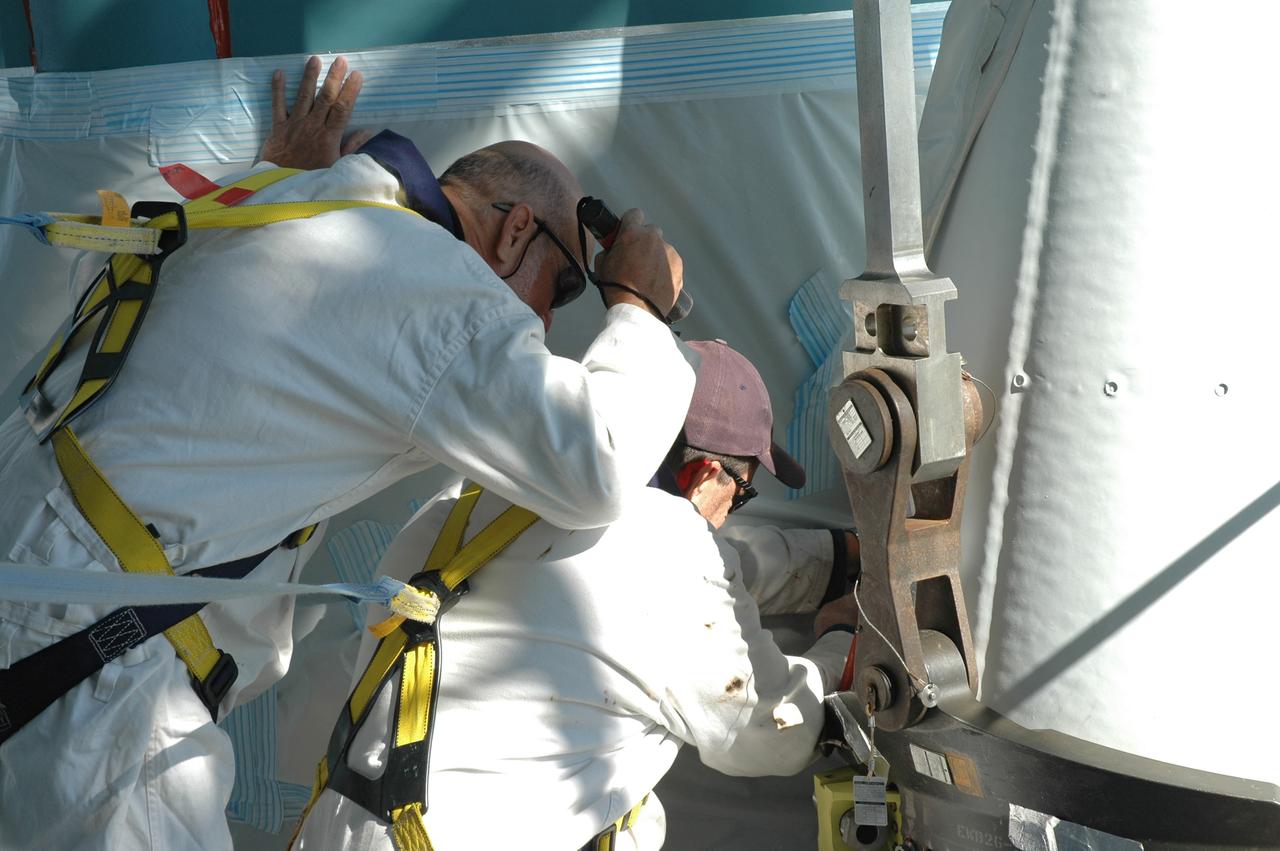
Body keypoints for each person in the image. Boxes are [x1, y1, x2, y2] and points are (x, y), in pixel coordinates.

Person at [0, 55, 694, 850]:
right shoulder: (433, 286)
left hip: (43, 592)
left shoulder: (287, 200)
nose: (542, 327)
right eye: (562, 290)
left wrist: (278, 177)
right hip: (91, 653)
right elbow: (595, 461)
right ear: (513, 231)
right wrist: (637, 306)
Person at [293, 339, 861, 851]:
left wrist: (838, 558)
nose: (732, 514)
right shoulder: (667, 551)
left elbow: (668, 579)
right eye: (740, 495)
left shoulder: (473, 494)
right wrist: (840, 644)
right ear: (703, 474)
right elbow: (771, 729)